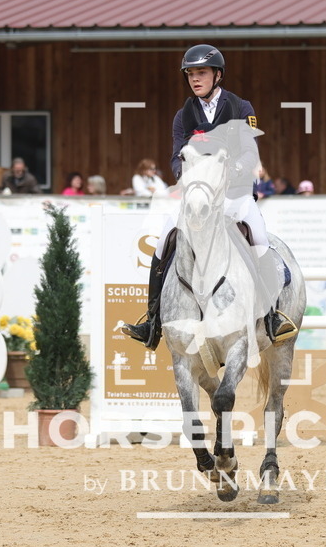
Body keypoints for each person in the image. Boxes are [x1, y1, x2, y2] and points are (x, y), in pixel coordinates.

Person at [122, 44, 297, 349]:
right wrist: (187, 173)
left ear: (217, 75)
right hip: (199, 197)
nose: (195, 78)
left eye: (201, 72)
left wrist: (233, 168)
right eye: (190, 74)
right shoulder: (183, 115)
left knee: (258, 238)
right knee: (164, 242)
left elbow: (248, 150)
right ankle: (152, 322)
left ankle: (272, 315)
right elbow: (177, 156)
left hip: (235, 195)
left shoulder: (242, 108)